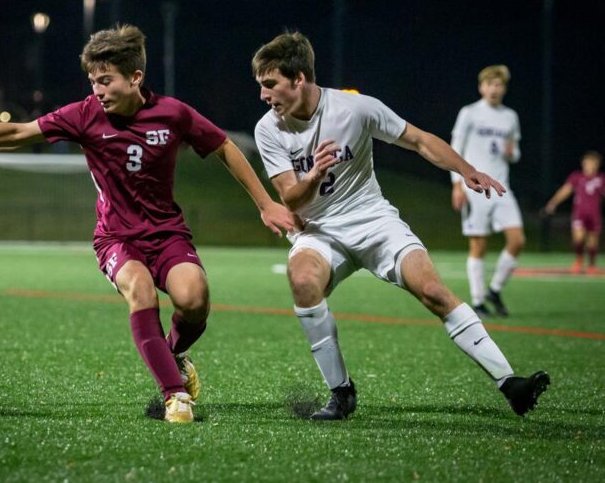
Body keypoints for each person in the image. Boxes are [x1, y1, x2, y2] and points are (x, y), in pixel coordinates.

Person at [0, 25, 294, 423]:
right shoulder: (83, 115)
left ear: (135, 78)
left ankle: (172, 355)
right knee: (141, 289)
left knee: (195, 300)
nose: (97, 89)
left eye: (105, 80)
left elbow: (223, 146)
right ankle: (175, 396)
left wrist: (265, 203)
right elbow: (17, 131)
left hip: (166, 234)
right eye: (92, 81)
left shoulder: (173, 114)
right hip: (116, 238)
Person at [252, 32, 548, 420]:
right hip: (320, 230)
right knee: (303, 280)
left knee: (433, 289)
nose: (263, 95)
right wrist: (314, 175)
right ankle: (341, 393)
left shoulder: (355, 109)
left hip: (373, 220)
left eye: (270, 84)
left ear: (299, 79)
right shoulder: (268, 129)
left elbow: (420, 140)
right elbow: (290, 198)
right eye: (260, 85)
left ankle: (511, 384)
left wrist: (466, 170)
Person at [450, 65, 524, 317]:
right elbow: (455, 148)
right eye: (490, 84)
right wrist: (457, 184)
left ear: (504, 88)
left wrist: (511, 152)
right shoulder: (469, 113)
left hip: (502, 188)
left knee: (517, 240)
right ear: (482, 87)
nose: (495, 88)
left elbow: (515, 152)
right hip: (475, 189)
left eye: (499, 84)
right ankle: (479, 300)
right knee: (478, 245)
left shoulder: (510, 116)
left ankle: (495, 289)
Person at [544, 151, 604, 274]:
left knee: (592, 244)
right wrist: (553, 202)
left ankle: (592, 264)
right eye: (588, 162)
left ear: (597, 165)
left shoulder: (601, 179)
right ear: (583, 163)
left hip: (594, 215)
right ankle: (579, 259)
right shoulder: (577, 177)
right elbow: (565, 191)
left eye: (593, 163)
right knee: (578, 239)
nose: (590, 165)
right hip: (579, 214)